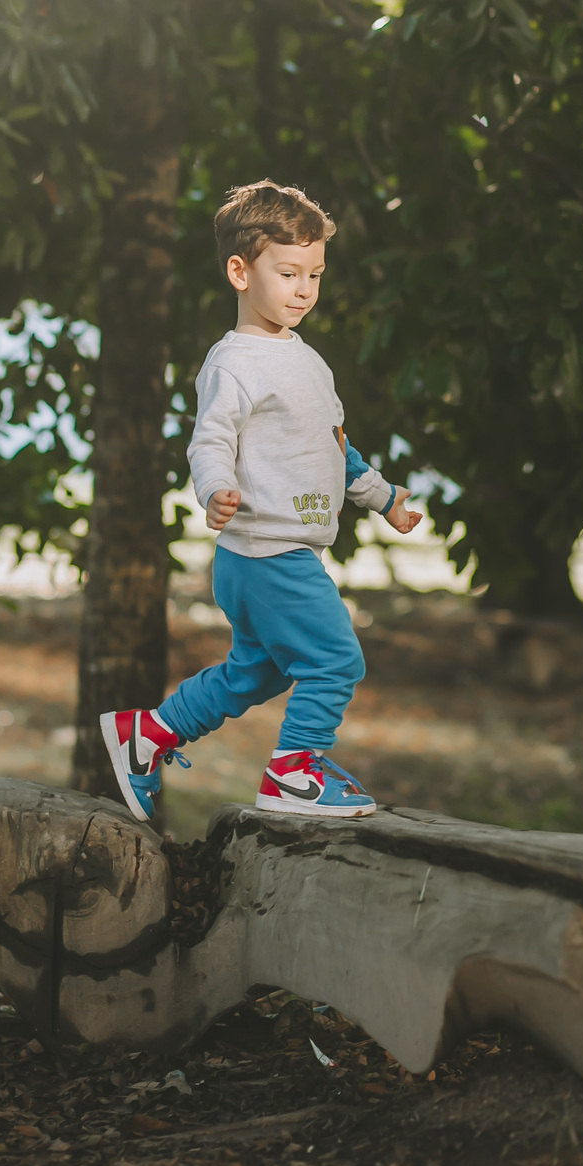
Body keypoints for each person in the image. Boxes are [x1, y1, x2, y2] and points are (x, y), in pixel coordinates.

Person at [101, 179, 421, 822]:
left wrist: (383, 498)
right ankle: (293, 771)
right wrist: (214, 489)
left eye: (315, 274)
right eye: (288, 272)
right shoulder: (234, 362)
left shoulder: (307, 360)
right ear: (240, 271)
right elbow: (209, 439)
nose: (304, 289)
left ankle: (149, 735)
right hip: (268, 552)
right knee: (336, 659)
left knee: (257, 673)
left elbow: (334, 447)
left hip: (270, 557)